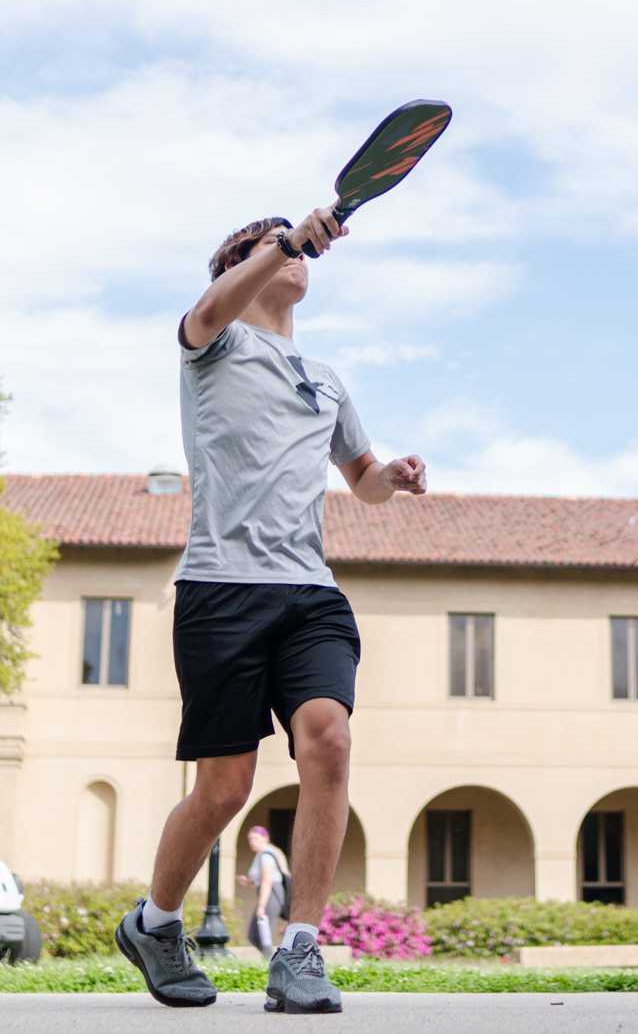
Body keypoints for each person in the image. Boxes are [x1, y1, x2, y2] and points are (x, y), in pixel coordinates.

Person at [115, 207, 428, 1015]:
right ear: (239, 262)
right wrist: (285, 242)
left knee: (328, 737)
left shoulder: (325, 379)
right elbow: (209, 308)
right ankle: (154, 924)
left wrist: (391, 473)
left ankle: (299, 948)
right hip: (220, 589)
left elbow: (359, 480)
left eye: (291, 244)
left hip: (309, 593)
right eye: (266, 244)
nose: (289, 254)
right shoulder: (211, 341)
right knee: (223, 790)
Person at [239, 823, 292, 956]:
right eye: (250, 839)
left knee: (263, 934)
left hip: (271, 895)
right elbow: (261, 879)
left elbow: (267, 881)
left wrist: (261, 906)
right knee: (255, 935)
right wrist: (248, 881)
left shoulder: (266, 855)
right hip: (267, 894)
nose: (252, 841)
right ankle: (269, 960)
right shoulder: (260, 855)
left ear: (265, 838)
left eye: (255, 838)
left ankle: (270, 962)